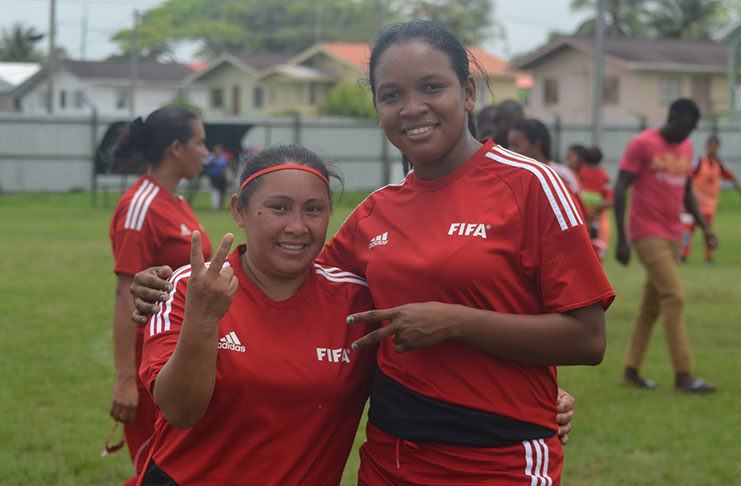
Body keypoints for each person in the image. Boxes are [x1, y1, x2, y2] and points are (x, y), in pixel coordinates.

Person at [131, 21, 603, 485]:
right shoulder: (377, 212)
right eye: (391, 95)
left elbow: (587, 339)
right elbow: (292, 276)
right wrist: (170, 286)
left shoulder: (531, 185)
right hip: (392, 457)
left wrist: (458, 324)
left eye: (432, 87)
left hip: (499, 456)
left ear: (468, 92)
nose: (412, 108)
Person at [136, 145, 379, 485]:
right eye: (278, 208)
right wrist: (203, 319)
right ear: (239, 210)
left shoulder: (358, 302)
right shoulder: (192, 286)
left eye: (313, 210)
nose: (297, 227)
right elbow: (180, 411)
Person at [108, 106, 213, 485]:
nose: (207, 152)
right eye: (200, 143)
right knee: (158, 472)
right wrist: (124, 380)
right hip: (149, 366)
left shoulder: (178, 203)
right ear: (176, 148)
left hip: (184, 355)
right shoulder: (140, 205)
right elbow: (125, 294)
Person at [614, 98, 717, 393]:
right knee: (674, 295)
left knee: (651, 306)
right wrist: (622, 239)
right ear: (671, 119)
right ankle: (683, 375)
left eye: (692, 130)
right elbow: (620, 187)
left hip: (673, 234)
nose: (687, 135)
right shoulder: (642, 144)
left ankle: (631, 371)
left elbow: (686, 191)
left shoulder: (686, 149)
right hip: (646, 233)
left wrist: (706, 228)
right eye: (684, 127)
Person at [680, 134, 740, 264]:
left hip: (709, 205)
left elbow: (732, 177)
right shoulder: (700, 161)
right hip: (694, 203)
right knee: (687, 230)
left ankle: (708, 257)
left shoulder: (720, 163)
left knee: (707, 231)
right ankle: (683, 255)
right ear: (707, 146)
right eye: (710, 145)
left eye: (715, 146)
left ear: (718, 147)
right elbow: (688, 177)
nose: (712, 148)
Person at [508, 117, 582, 195]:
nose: (510, 150)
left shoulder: (558, 175)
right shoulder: (514, 176)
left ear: (536, 145)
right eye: (509, 145)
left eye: (515, 145)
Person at [567, 145, 613, 262]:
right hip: (581, 231)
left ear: (582, 159)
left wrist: (588, 209)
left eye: (570, 157)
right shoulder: (602, 174)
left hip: (597, 233)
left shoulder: (579, 176)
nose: (568, 161)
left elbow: (610, 199)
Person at [204, 143, 230, 210]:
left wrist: (227, 177)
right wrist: (213, 160)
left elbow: (226, 168)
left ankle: (221, 205)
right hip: (213, 177)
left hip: (221, 177)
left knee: (223, 192)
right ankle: (215, 207)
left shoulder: (223, 158)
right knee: (215, 191)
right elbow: (206, 163)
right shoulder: (210, 156)